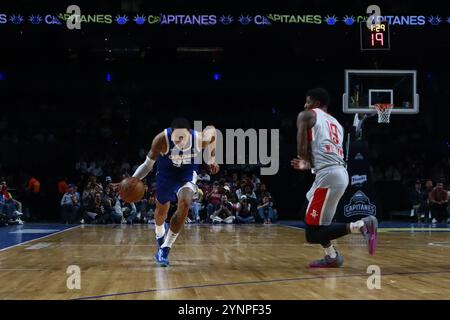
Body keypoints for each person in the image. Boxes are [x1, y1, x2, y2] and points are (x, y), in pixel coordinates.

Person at [291, 87, 377, 268]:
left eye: (307, 101)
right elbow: (326, 150)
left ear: (316, 103)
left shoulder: (306, 115)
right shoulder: (336, 123)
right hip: (335, 173)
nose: (304, 105)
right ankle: (331, 256)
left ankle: (361, 224)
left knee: (312, 234)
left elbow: (301, 150)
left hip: (328, 176)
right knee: (306, 212)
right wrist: (309, 164)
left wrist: (306, 162)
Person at [125, 118, 219, 267]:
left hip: (187, 172)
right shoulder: (161, 139)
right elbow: (147, 165)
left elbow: (212, 130)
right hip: (166, 173)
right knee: (161, 210)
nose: (180, 142)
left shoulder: (199, 139)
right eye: (177, 139)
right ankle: (159, 233)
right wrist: (133, 180)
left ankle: (165, 249)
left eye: (183, 138)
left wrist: (212, 159)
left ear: (189, 134)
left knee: (186, 202)